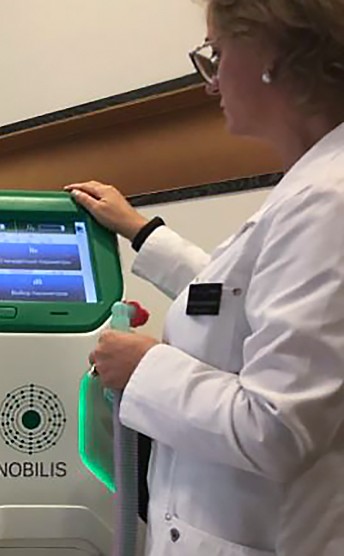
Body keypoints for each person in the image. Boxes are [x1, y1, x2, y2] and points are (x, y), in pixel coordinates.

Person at [67, 1, 344, 554]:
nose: (210, 81)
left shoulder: (327, 201)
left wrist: (145, 368)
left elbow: (277, 428)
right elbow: (246, 301)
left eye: (216, 53)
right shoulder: (315, 188)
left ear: (270, 53)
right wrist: (140, 230)